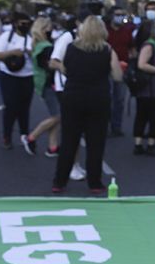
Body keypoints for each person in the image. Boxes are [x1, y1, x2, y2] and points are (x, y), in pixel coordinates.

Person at [52, 16, 123, 193]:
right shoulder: (107, 50)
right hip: (98, 98)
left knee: (69, 140)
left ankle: (59, 181)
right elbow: (117, 76)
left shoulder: (71, 48)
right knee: (96, 142)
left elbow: (64, 67)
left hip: (73, 96)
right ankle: (95, 182)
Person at [0, 12, 35, 150]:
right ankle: (7, 136)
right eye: (22, 23)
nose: (25, 26)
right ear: (16, 23)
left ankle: (25, 135)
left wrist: (30, 53)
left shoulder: (32, 38)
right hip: (9, 76)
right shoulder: (6, 37)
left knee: (25, 108)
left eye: (28, 23)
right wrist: (12, 53)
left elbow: (38, 56)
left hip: (27, 76)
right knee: (11, 107)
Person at [131, 18, 155, 157]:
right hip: (149, 88)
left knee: (143, 115)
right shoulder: (149, 46)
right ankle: (150, 144)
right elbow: (142, 64)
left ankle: (139, 144)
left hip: (150, 87)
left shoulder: (154, 46)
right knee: (153, 116)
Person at [25, 17, 61, 157]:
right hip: (48, 84)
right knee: (59, 115)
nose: (52, 29)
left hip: (43, 83)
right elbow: (49, 66)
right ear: (44, 29)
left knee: (56, 115)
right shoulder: (45, 47)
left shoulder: (39, 44)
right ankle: (32, 137)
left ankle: (52, 147)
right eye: (49, 27)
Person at [107, 13, 135, 138]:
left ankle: (116, 127)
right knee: (108, 98)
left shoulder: (127, 31)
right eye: (117, 15)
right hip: (106, 68)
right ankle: (104, 125)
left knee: (120, 99)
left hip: (123, 68)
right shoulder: (105, 31)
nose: (119, 17)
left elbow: (132, 49)